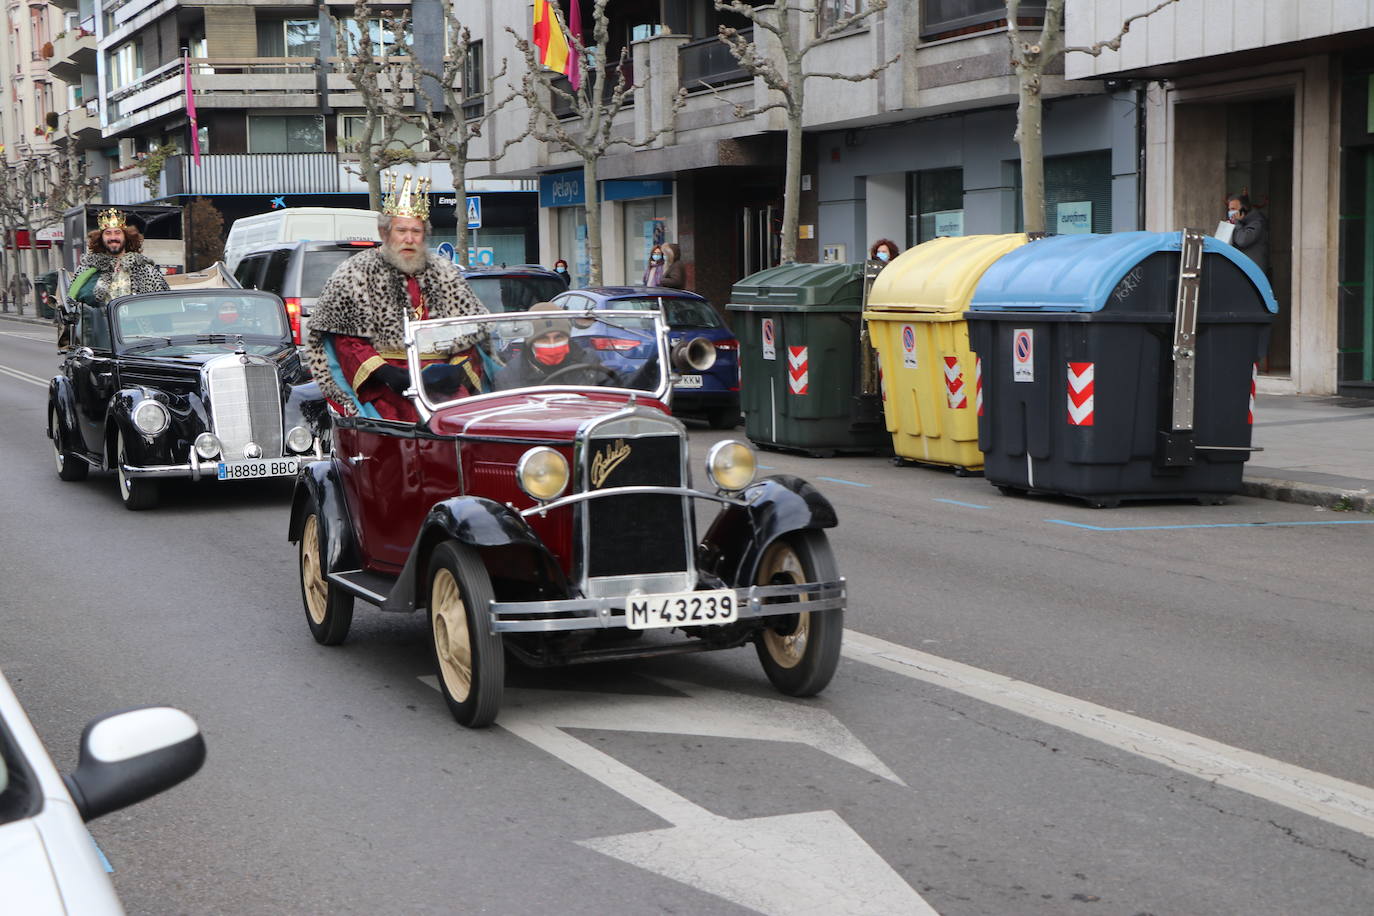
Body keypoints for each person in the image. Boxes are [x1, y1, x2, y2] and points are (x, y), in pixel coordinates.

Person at [306, 174, 489, 421]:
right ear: (385, 233)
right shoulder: (356, 272)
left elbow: (469, 335)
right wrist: (387, 373)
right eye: (401, 230)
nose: (409, 238)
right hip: (385, 387)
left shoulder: (446, 275)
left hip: (441, 391)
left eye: (416, 230)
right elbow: (347, 342)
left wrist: (455, 371)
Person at [494, 303, 655, 391]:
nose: (552, 344)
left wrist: (654, 365)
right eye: (543, 338)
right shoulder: (510, 377)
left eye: (559, 337)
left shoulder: (588, 363)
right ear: (530, 344)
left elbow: (623, 386)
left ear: (568, 338)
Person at [69, 209, 169, 306]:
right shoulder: (87, 269)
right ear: (100, 238)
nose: (113, 238)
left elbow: (163, 304)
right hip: (101, 322)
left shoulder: (145, 270)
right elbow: (72, 303)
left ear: (126, 236)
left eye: (117, 232)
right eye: (108, 233)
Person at [1226, 194, 1268, 274]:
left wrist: (1236, 223)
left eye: (1233, 209)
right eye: (1229, 210)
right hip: (1243, 269)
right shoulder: (1240, 224)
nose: (1231, 213)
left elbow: (1243, 240)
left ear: (1243, 210)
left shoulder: (1257, 222)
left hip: (1254, 272)